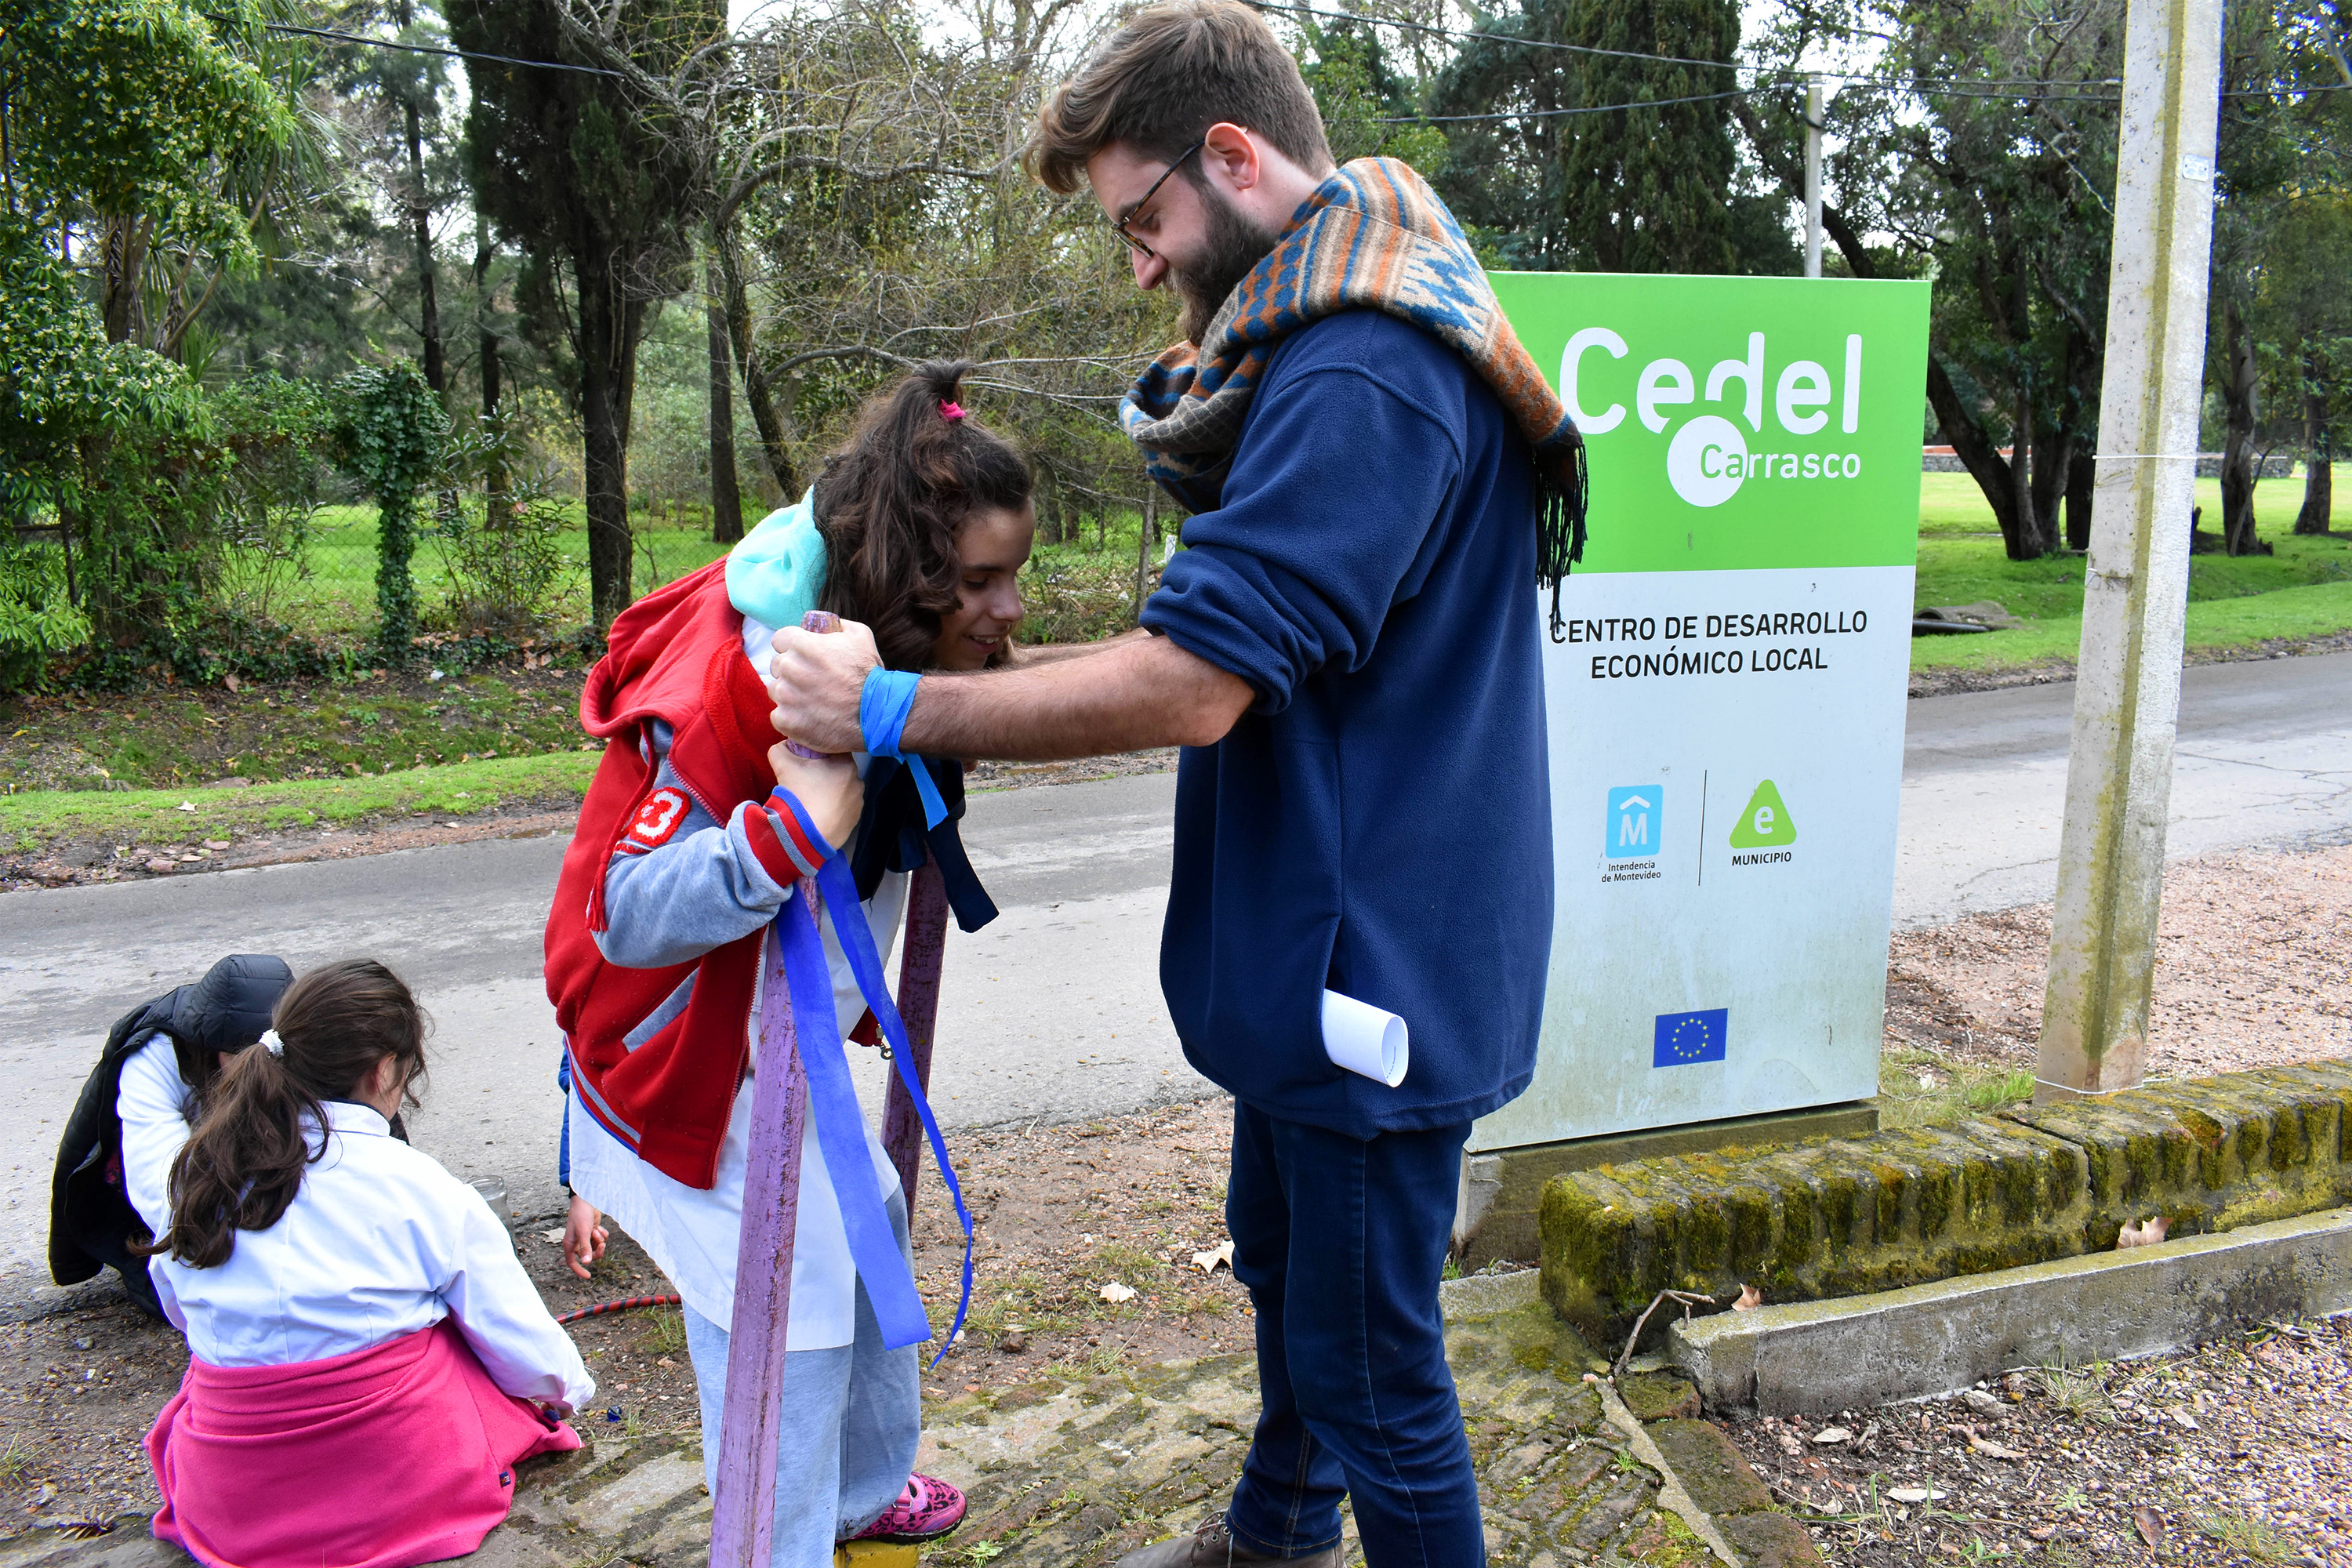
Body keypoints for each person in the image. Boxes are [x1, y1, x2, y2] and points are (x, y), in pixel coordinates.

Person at [762, 7, 1588, 1565]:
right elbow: (1229, 644)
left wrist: (888, 705)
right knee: (1299, 1277)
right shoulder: (1343, 319)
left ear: (1234, 154)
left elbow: (1195, 683)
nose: (1139, 262)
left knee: (1374, 1367)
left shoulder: (1363, 371)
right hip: (1334, 957)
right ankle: (1274, 1535)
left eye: (1145, 217)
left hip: (1373, 966)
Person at [543, 361, 1029, 1568]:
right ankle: (776, 1544)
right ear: (904, 576)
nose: (1010, 608)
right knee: (791, 1338)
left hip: (781, 1065)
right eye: (980, 581)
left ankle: (862, 1501)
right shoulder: (746, 675)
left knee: (866, 1262)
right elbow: (628, 909)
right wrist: (788, 831)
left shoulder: (874, 656)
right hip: (704, 1082)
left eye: (1016, 573)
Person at [135, 959, 593, 1568]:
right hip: (390, 1483)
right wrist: (567, 1394)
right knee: (452, 1336)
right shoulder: (415, 1184)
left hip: (231, 1495)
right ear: (383, 1072)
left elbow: (183, 1310)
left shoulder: (203, 1171)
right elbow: (514, 1337)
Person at [49, 953, 295, 1317]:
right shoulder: (155, 1054)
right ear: (209, 1045)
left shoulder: (301, 1043)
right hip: (170, 1184)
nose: (254, 1069)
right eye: (238, 1057)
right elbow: (159, 1183)